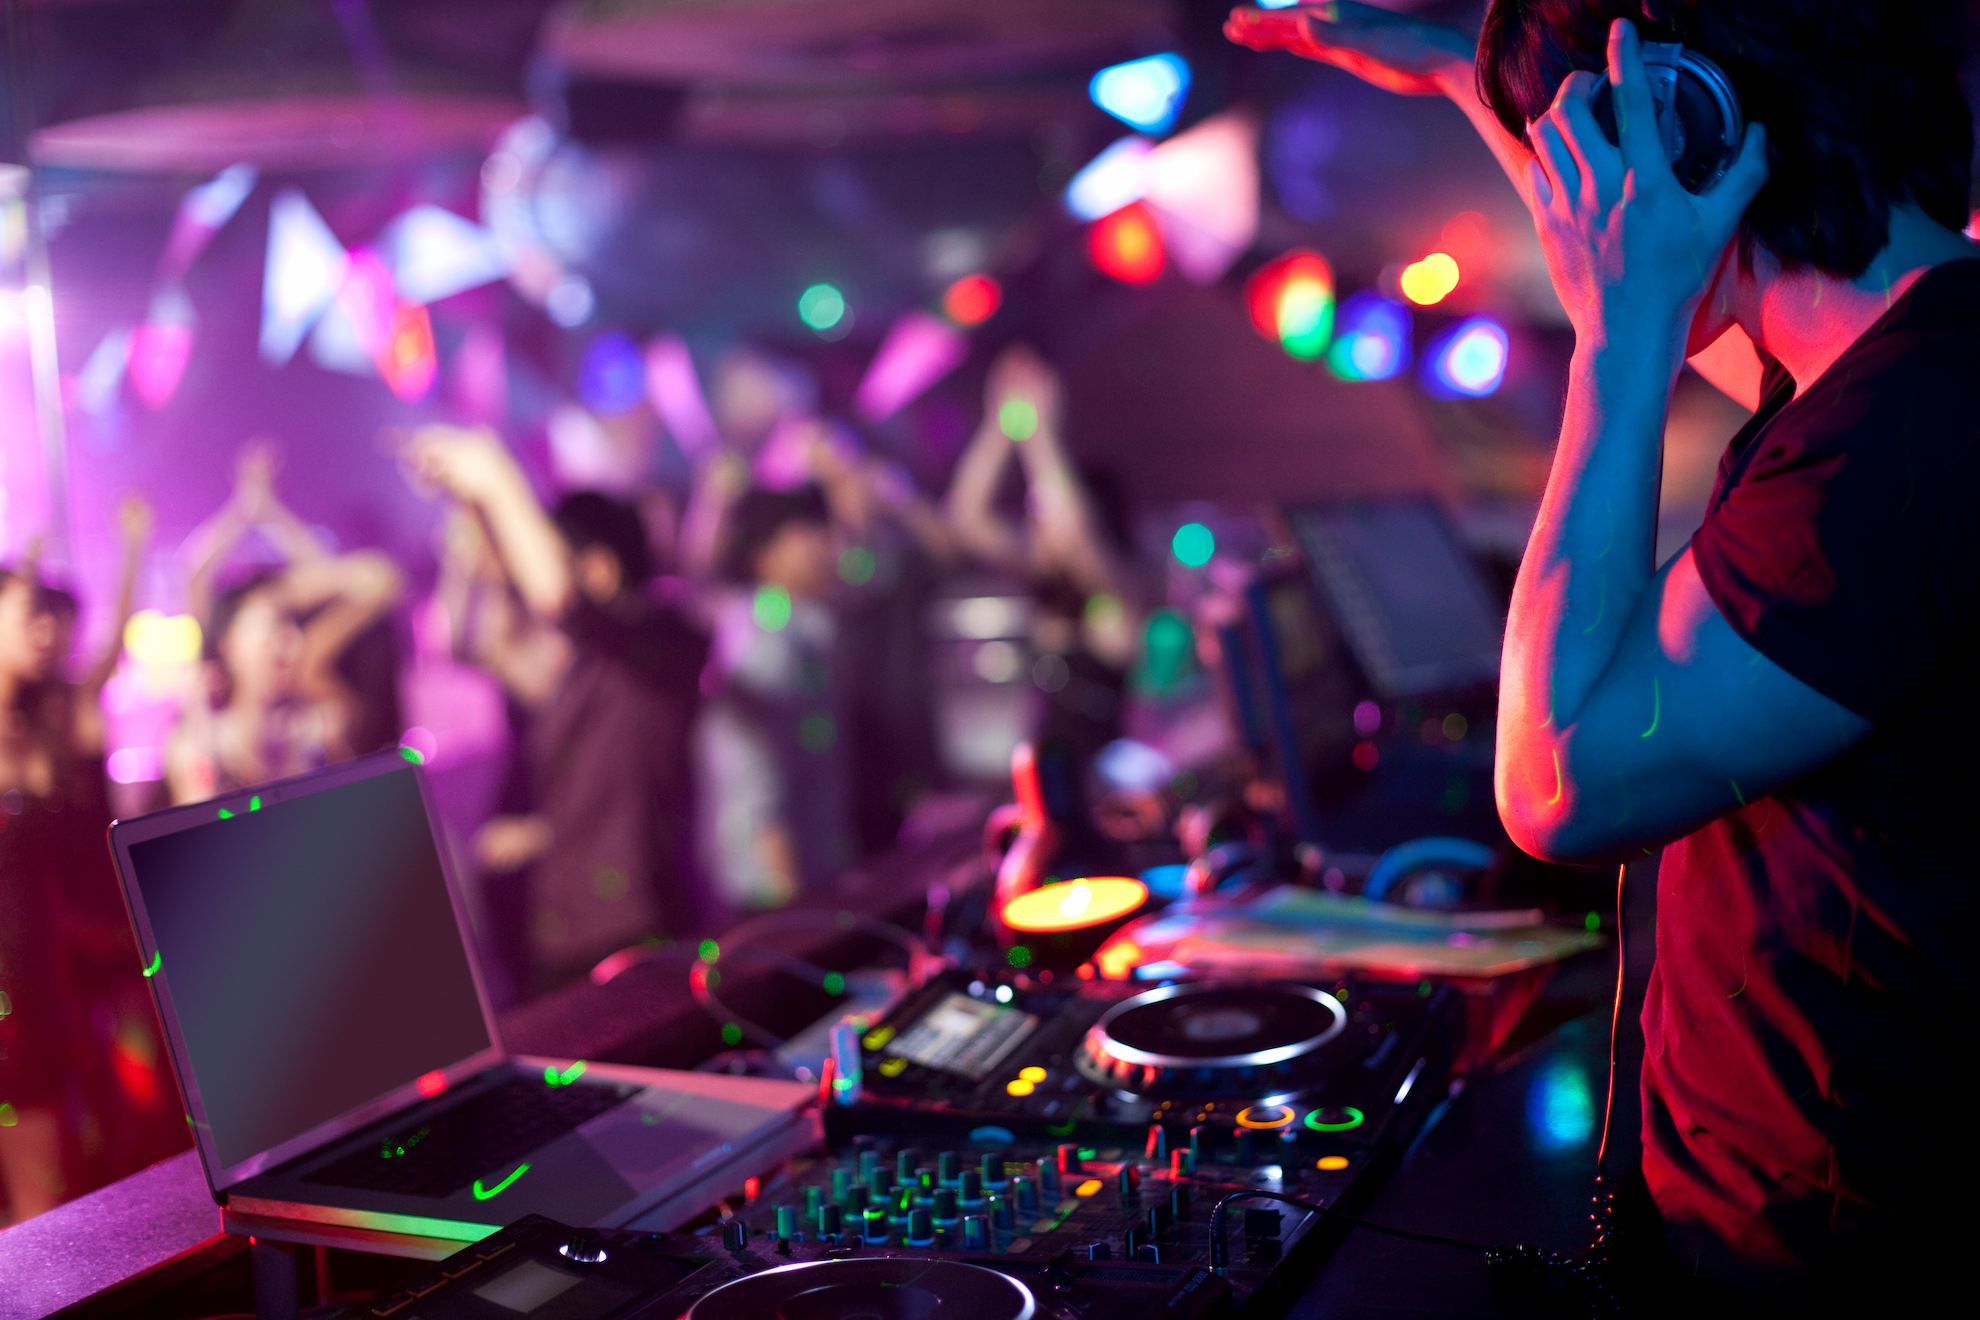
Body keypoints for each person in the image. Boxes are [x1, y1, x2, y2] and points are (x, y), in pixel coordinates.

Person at [1230, 0, 1979, 1304]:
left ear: (1692, 135)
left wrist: (1618, 336)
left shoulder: (1899, 447)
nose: (1569, 220)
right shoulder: (1910, 366)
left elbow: (1559, 782)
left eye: (1587, 160)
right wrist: (1446, 76)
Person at [407, 426, 710, 990]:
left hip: (636, 926)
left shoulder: (665, 637)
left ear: (599, 568)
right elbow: (476, 641)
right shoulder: (585, 669)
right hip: (568, 929)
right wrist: (474, 505)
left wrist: (496, 473)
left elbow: (556, 595)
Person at [1, 499, 181, 1220]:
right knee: (40, 1181)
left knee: (116, 1134)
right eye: (28, 615)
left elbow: (102, 655)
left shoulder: (47, 716)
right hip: (17, 980)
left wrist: (133, 549)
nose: (46, 632)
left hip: (70, 954)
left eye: (52, 617)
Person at [168, 443, 405, 801]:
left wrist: (279, 589)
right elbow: (194, 576)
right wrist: (244, 508)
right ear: (228, 644)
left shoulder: (322, 724)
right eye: (271, 626)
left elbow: (380, 577)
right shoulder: (200, 744)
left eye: (290, 626)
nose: (290, 640)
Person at [946, 346, 1145, 771]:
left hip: (1102, 788)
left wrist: (1042, 433)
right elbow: (967, 517)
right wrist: (1000, 424)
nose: (1037, 526)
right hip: (1052, 780)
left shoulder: (1114, 602)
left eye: (1044, 516)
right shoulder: (1042, 588)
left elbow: (1074, 534)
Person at [697, 484, 851, 915]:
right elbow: (749, 776)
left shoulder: (801, 626)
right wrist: (791, 901)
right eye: (809, 534)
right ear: (765, 554)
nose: (828, 548)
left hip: (803, 882)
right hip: (771, 894)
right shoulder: (764, 635)